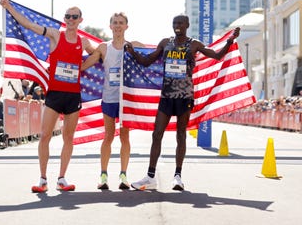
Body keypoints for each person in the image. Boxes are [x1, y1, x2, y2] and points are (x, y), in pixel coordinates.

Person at [124, 14, 240, 191]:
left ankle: (177, 176)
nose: (176, 25)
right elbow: (147, 62)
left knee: (181, 135)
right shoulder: (165, 43)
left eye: (180, 23)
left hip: (184, 96)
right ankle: (150, 176)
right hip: (167, 96)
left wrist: (230, 41)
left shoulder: (194, 44)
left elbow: (216, 56)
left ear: (187, 25)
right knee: (157, 134)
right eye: (174, 23)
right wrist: (133, 52)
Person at [0, 0, 94, 193]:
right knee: (44, 135)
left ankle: (62, 178)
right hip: (55, 95)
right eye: (67, 16)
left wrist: (87, 62)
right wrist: (9, 7)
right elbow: (28, 24)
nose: (70, 19)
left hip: (72, 96)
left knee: (69, 138)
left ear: (80, 20)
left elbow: (98, 54)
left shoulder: (83, 42)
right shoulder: (55, 35)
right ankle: (43, 179)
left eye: (74, 16)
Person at [82, 12, 144, 190]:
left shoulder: (134, 46)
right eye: (115, 23)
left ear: (126, 26)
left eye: (121, 23)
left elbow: (153, 56)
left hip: (126, 100)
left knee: (125, 137)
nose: (118, 26)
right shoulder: (103, 47)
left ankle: (123, 175)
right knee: (108, 137)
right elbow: (85, 65)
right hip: (109, 98)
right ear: (110, 26)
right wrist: (61, 69)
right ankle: (103, 175)